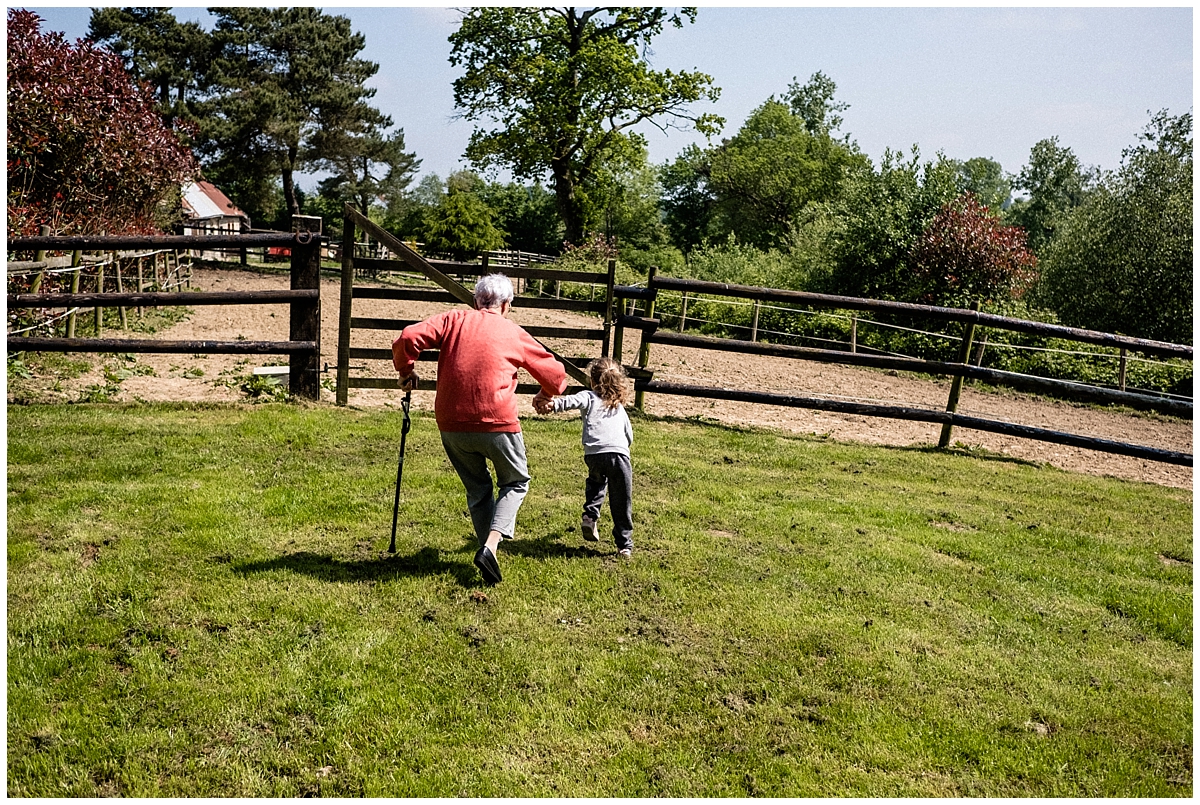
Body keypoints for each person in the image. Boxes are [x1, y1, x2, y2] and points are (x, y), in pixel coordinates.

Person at [392, 273, 567, 585]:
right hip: (497, 421)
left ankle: (489, 556)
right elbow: (555, 374)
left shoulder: (452, 320)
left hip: (451, 422)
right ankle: (490, 546)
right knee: (516, 482)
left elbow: (407, 338)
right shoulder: (513, 331)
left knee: (478, 488)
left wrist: (407, 371)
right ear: (507, 305)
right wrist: (546, 394)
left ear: (476, 301)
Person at [535, 357, 634, 557]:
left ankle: (590, 516)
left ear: (592, 381)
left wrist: (551, 405)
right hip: (619, 455)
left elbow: (570, 401)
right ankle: (624, 546)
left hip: (594, 454)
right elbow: (629, 435)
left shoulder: (588, 397)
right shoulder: (620, 409)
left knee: (597, 483)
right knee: (621, 499)